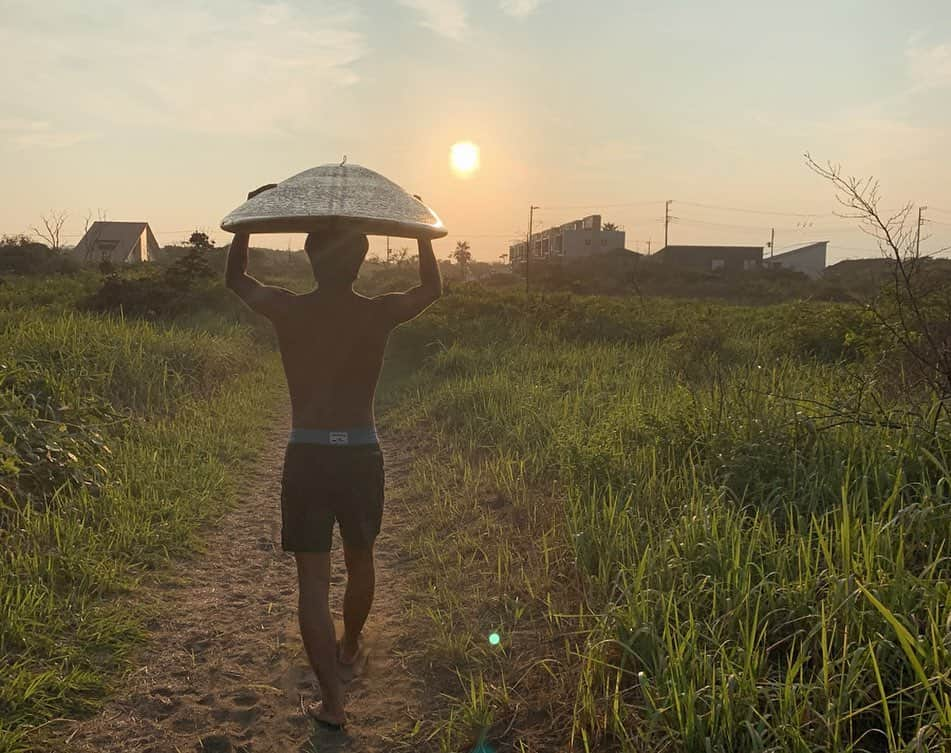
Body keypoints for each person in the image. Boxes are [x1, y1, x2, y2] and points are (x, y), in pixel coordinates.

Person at [224, 193, 442, 730]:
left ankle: (332, 703)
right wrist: (416, 226)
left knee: (312, 585)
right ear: (362, 261)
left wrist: (249, 222)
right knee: (362, 558)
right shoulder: (377, 312)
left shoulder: (289, 308)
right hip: (361, 452)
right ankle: (349, 649)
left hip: (308, 455)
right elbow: (431, 289)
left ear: (309, 258)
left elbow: (237, 280)